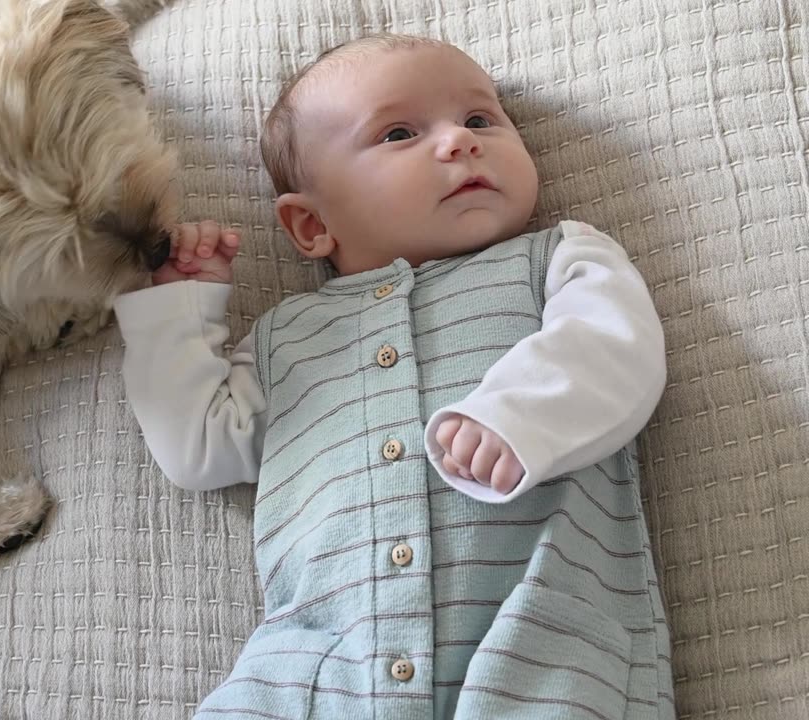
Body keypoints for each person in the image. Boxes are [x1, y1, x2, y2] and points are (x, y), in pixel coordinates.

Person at [113, 34, 674, 719]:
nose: (458, 143)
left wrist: (519, 417)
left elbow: (615, 347)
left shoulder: (559, 258)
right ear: (312, 224)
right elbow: (197, 447)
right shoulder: (288, 340)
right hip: (313, 667)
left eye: (480, 120)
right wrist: (176, 307)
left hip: (532, 645)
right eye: (400, 133)